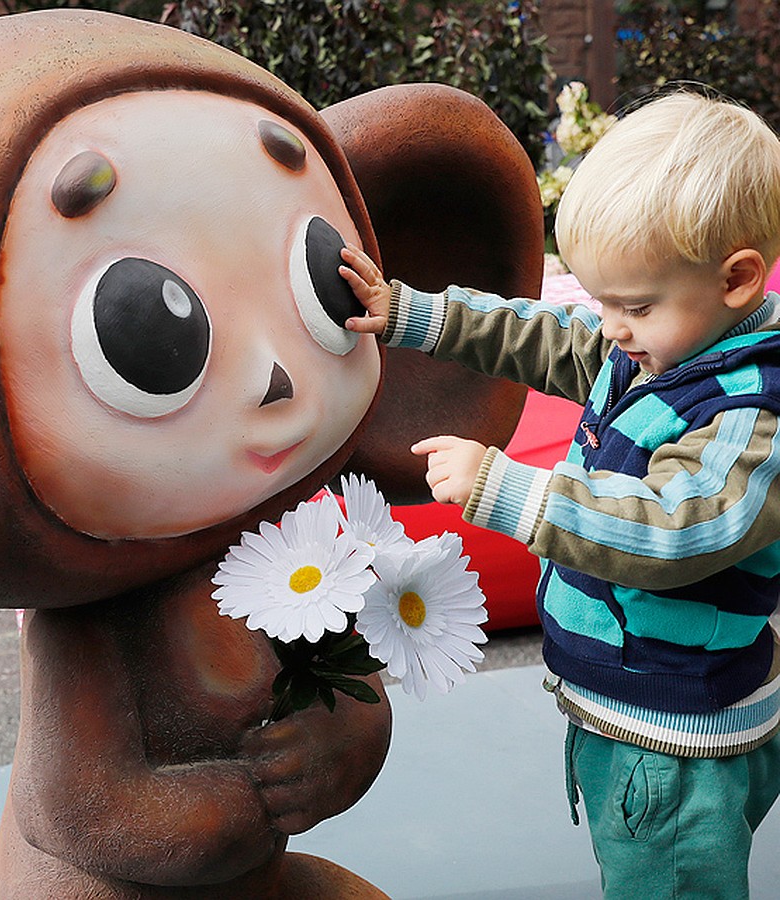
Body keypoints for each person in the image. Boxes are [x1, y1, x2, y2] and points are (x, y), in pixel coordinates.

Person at [339, 90, 780, 899]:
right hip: (627, 710)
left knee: (670, 880)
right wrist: (409, 312)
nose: (608, 326)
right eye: (597, 297)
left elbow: (678, 531)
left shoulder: (750, 415)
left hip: (673, 741)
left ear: (738, 279)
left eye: (632, 306)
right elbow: (541, 334)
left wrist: (510, 492)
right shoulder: (655, 348)